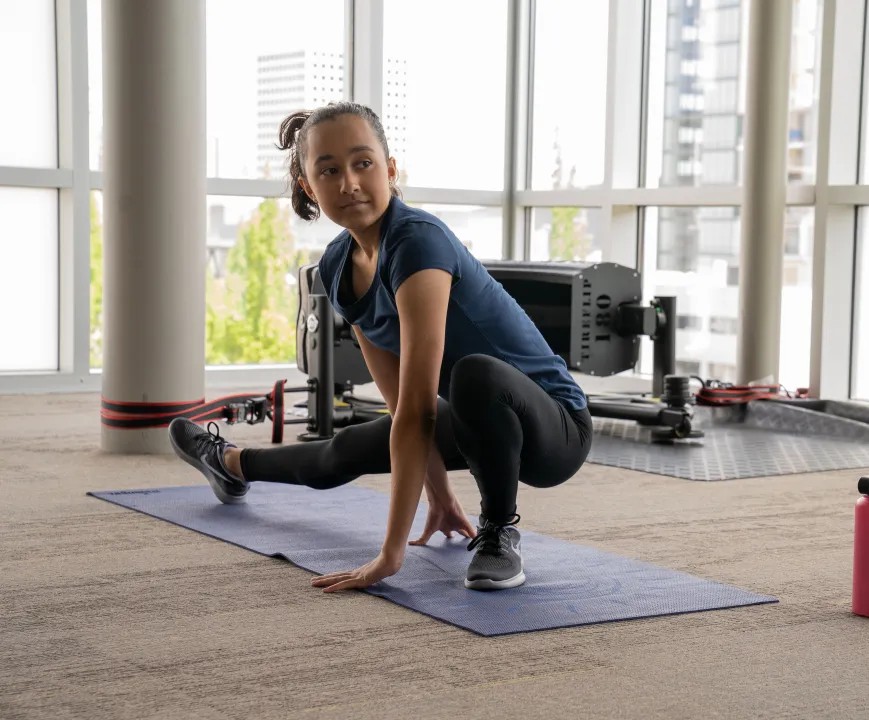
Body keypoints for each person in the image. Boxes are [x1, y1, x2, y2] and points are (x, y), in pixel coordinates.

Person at [168, 102, 592, 593]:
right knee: (346, 449)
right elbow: (403, 408)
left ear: (390, 170)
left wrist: (390, 555)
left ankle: (499, 532)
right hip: (474, 420)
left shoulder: (418, 243)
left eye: (362, 163)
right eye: (328, 170)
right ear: (309, 186)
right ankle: (230, 463)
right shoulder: (336, 266)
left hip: (555, 429)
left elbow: (420, 408)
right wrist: (439, 496)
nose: (348, 182)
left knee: (475, 373)